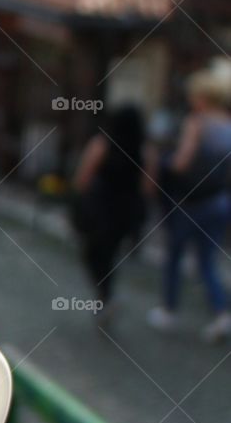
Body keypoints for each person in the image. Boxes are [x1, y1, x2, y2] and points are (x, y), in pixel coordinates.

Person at [148, 69, 231, 341]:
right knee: (207, 261)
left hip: (191, 201)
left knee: (175, 256)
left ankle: (169, 310)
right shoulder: (228, 125)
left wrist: (163, 160)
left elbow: (181, 163)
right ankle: (221, 314)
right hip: (220, 201)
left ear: (202, 97)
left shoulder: (196, 123)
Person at [71, 104, 146, 319]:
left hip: (101, 208)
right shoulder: (144, 149)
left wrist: (78, 201)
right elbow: (148, 186)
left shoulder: (102, 144)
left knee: (94, 252)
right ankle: (106, 296)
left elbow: (82, 178)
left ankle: (105, 296)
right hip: (127, 210)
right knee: (109, 253)